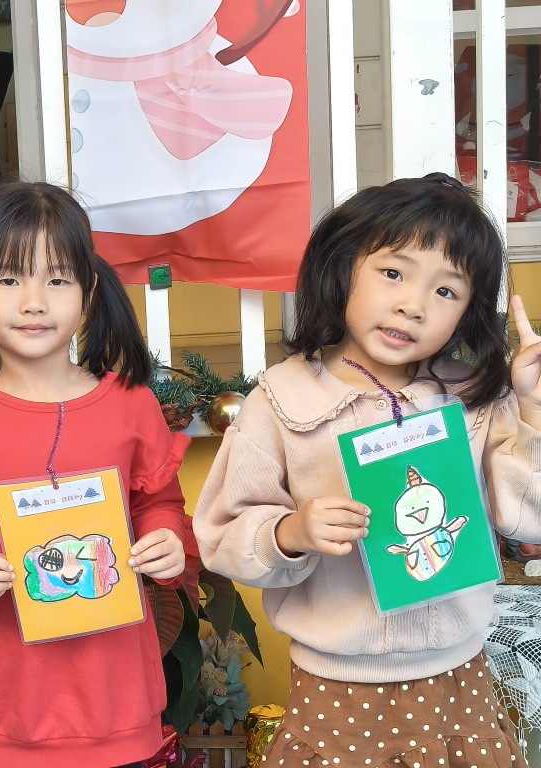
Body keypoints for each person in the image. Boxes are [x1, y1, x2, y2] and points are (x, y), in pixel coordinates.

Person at [194, 173, 541, 766]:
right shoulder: (280, 400)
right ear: (342, 266)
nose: (413, 305)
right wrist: (290, 533)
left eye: (447, 290)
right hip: (335, 689)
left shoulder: (476, 400)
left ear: (469, 312)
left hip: (458, 680)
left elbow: (526, 518)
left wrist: (531, 407)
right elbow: (222, 537)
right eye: (393, 273)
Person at [0, 181, 190, 768]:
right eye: (9, 280)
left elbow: (160, 503)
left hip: (116, 696)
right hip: (11, 700)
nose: (34, 301)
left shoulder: (132, 406)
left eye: (58, 280)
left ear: (88, 291)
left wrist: (166, 539)